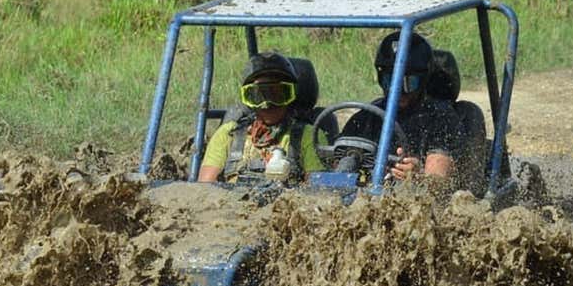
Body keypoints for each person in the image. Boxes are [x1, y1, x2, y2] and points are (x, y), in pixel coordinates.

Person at [341, 32, 466, 183]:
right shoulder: (366, 118)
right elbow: (335, 165)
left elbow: (438, 181)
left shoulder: (441, 119)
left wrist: (419, 177)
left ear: (424, 80)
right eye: (389, 81)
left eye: (408, 83)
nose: (397, 90)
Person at [198, 51, 326, 184]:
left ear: (290, 96)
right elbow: (205, 189)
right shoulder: (229, 134)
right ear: (248, 99)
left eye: (277, 95)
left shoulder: (309, 135)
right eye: (259, 96)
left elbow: (317, 190)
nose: (267, 104)